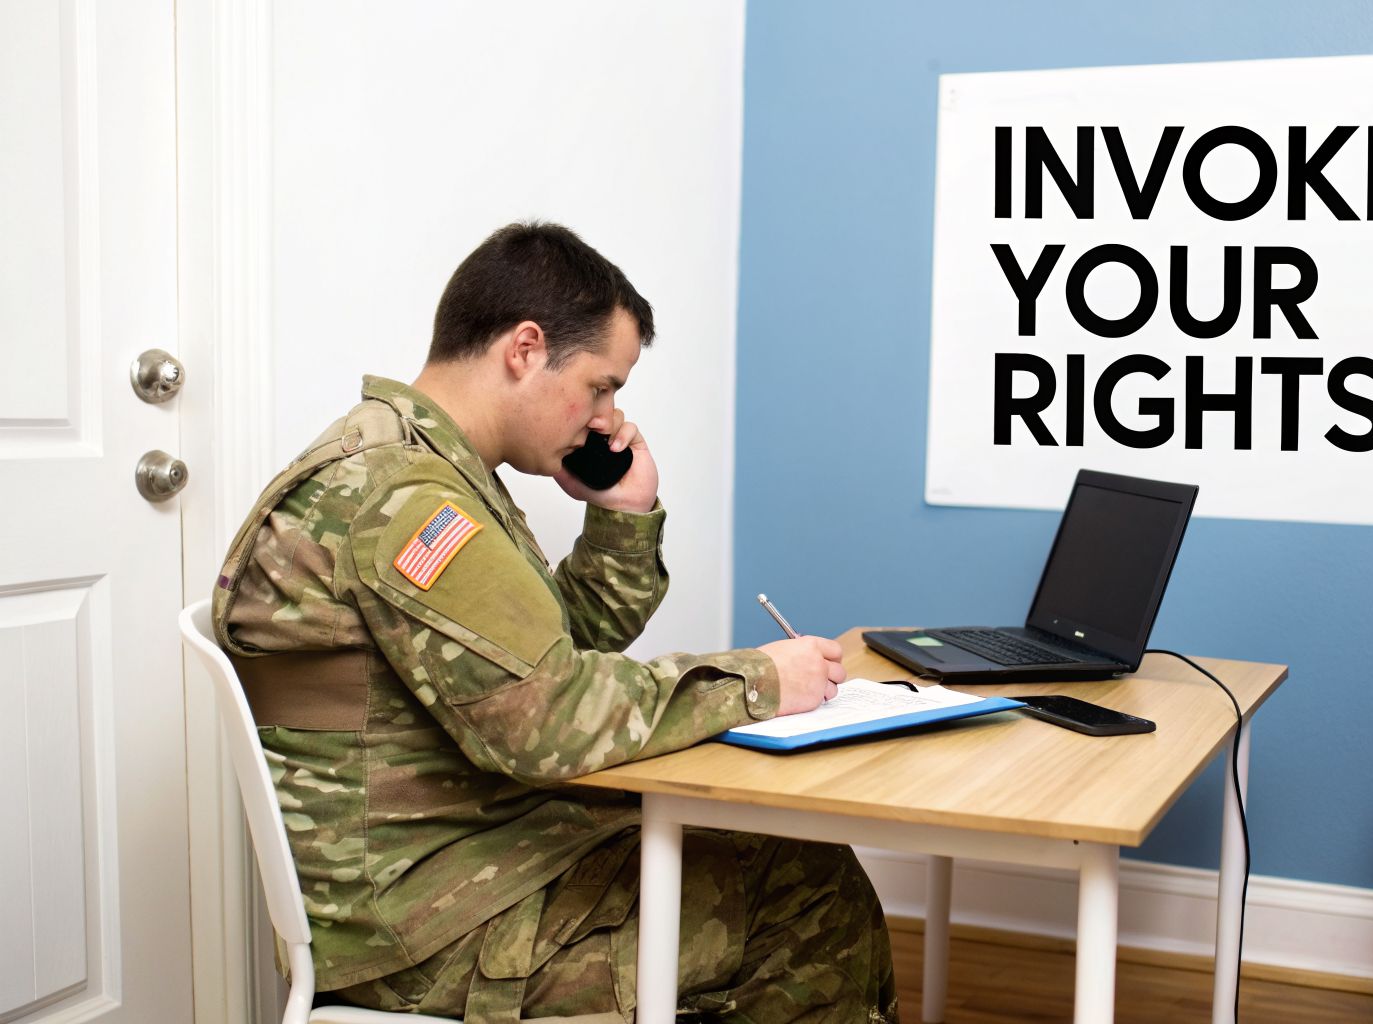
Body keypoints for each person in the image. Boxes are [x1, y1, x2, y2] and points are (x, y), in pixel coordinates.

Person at [213, 221, 898, 1022]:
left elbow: (535, 663)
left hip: (455, 873)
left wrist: (622, 515)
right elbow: (550, 718)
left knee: (787, 860)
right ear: (526, 348)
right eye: (601, 386)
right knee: (808, 900)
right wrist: (760, 681)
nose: (606, 417)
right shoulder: (406, 502)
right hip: (426, 930)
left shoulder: (419, 469)